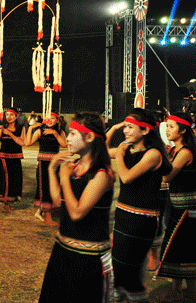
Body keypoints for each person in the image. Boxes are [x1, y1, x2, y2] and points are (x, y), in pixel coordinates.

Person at [38, 113, 115, 302]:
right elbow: (58, 202)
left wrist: (64, 177)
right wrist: (51, 169)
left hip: (88, 256)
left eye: (73, 134)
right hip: (63, 248)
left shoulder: (101, 174)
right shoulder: (75, 166)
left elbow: (76, 212)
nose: (68, 139)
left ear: (89, 137)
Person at [106, 108, 172, 303]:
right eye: (125, 126)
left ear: (145, 130)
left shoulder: (152, 154)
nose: (125, 131)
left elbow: (126, 177)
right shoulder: (128, 148)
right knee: (118, 261)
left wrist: (119, 153)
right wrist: (115, 128)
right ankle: (119, 295)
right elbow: (100, 148)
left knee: (131, 266)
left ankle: (136, 298)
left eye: (130, 127)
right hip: (124, 214)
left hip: (142, 218)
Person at [156, 112, 196, 301]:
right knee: (178, 248)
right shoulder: (176, 150)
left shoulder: (185, 152)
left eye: (171, 126)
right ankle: (180, 290)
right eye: (166, 126)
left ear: (183, 130)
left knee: (185, 249)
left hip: (189, 209)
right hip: (182, 207)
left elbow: (166, 176)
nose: (167, 130)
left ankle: (189, 292)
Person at [25, 111, 67, 225]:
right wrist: (30, 128)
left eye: (53, 118)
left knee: (54, 187)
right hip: (43, 164)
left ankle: (40, 211)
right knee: (44, 188)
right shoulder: (40, 131)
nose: (50, 120)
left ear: (57, 120)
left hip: (55, 164)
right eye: (48, 118)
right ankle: (47, 216)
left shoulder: (60, 132)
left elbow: (64, 144)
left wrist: (55, 133)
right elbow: (27, 143)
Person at [0, 108, 25, 212]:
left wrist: (10, 134)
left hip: (16, 158)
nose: (8, 117)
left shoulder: (21, 128)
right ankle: (6, 204)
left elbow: (22, 143)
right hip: (4, 158)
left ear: (16, 116)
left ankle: (10, 202)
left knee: (16, 179)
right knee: (6, 180)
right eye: (7, 115)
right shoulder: (2, 129)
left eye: (11, 115)